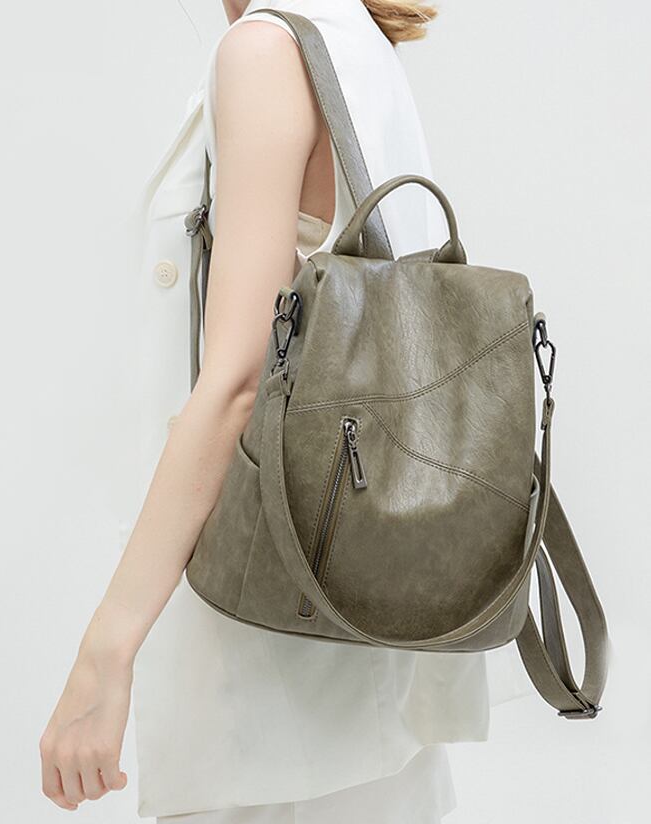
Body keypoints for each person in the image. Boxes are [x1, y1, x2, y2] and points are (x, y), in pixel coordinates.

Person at [39, 1, 532, 820]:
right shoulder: (355, 39)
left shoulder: (266, 51)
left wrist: (105, 653)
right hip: (369, 632)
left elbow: (238, 383)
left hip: (273, 661)